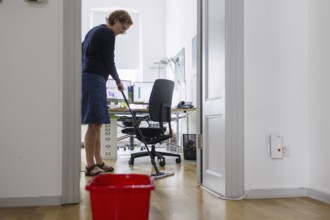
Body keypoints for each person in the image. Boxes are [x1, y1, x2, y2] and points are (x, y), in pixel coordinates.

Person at [81, 10, 133, 176]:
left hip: (91, 78)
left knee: (97, 123)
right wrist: (118, 81)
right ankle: (90, 166)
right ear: (116, 20)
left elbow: (82, 52)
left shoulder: (94, 30)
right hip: (94, 78)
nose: (121, 33)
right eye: (123, 28)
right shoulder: (108, 33)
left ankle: (99, 162)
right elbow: (109, 60)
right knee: (94, 123)